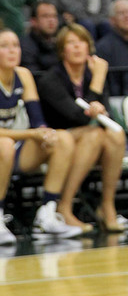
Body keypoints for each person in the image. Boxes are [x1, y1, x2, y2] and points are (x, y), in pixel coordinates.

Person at [36, 24, 126, 232]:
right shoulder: (51, 79)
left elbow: (105, 115)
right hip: (57, 141)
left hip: (90, 138)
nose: (77, 47)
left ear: (89, 47)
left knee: (116, 135)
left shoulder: (90, 73)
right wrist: (98, 80)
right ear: (62, 50)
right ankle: (64, 206)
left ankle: (107, 205)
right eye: (71, 43)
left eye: (81, 42)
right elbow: (76, 117)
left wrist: (99, 106)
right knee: (94, 134)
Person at [0, 29, 80, 243]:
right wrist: (31, 134)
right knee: (4, 144)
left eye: (15, 45)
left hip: (16, 148)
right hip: (4, 147)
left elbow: (37, 119)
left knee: (62, 138)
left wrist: (44, 132)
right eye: (4, 46)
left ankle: (47, 213)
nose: (12, 51)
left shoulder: (23, 75)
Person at [20, 1, 62, 76]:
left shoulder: (61, 42)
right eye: (45, 16)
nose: (51, 20)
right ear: (33, 21)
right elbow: (34, 76)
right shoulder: (25, 46)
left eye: (54, 16)